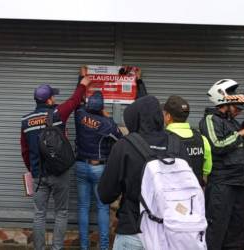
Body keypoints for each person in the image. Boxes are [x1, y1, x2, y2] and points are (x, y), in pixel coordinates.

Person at [20, 72, 90, 250]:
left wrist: (34, 170)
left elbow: (25, 151)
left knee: (39, 214)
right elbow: (74, 101)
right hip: (60, 173)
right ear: (49, 100)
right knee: (61, 212)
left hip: (39, 175)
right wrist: (83, 83)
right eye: (53, 96)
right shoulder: (58, 114)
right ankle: (57, 248)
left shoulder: (26, 121)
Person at [98, 95, 168, 250]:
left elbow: (106, 194)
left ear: (134, 118)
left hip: (133, 230)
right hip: (168, 232)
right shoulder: (176, 144)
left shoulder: (125, 146)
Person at [199, 79, 244, 250]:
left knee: (237, 230)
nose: (239, 112)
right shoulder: (210, 119)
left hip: (239, 183)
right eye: (237, 108)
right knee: (216, 229)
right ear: (223, 102)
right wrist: (241, 134)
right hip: (222, 184)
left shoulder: (232, 122)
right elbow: (217, 145)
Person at [74, 91, 123, 250]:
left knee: (83, 207)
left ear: (88, 105)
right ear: (102, 108)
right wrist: (108, 117)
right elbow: (120, 137)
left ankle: (84, 246)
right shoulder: (106, 123)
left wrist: (82, 79)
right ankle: (103, 247)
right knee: (103, 207)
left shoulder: (79, 114)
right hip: (99, 168)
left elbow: (78, 98)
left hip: (80, 165)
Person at [161, 95, 212, 186]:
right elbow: (207, 169)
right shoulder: (201, 138)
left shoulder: (162, 139)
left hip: (170, 195)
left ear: (168, 116)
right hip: (194, 195)